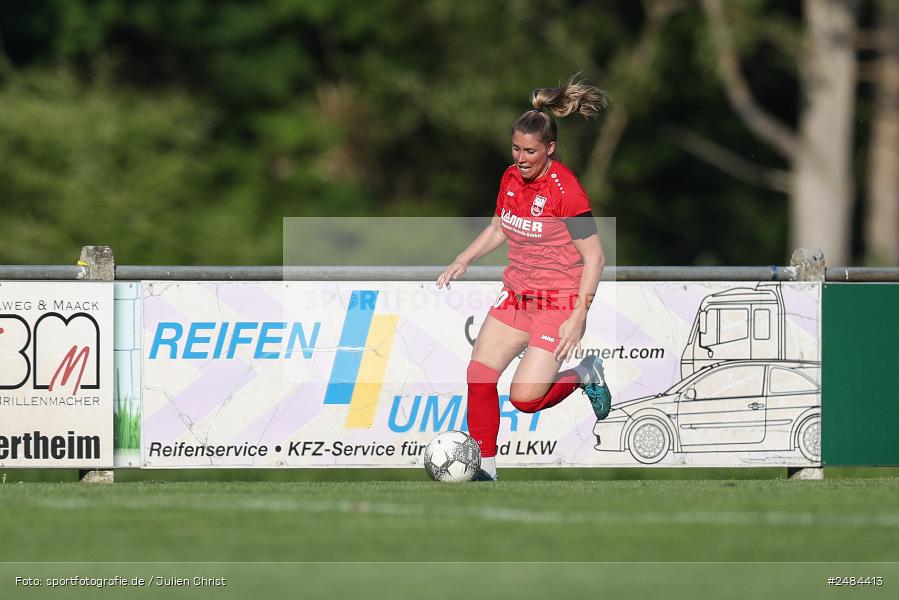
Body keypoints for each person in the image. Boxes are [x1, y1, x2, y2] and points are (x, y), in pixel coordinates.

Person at [436, 76, 612, 481]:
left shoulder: (566, 190)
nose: (521, 157)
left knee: (525, 400)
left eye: (530, 151)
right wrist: (464, 258)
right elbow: (501, 226)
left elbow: (596, 258)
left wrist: (579, 316)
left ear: (550, 148)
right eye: (516, 148)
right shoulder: (510, 178)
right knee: (478, 374)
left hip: (558, 302)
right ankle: (484, 468)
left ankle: (584, 375)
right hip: (517, 296)